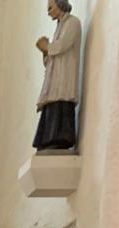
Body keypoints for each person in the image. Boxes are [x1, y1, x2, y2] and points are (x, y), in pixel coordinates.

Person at [34, 0, 82, 150]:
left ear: (60, 4)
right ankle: (48, 139)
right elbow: (51, 58)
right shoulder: (59, 26)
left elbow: (63, 45)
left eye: (50, 7)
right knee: (52, 104)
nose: (48, 12)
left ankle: (61, 138)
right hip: (55, 78)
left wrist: (47, 47)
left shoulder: (72, 23)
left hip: (64, 76)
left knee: (61, 102)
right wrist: (45, 51)